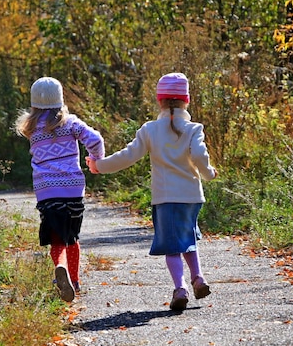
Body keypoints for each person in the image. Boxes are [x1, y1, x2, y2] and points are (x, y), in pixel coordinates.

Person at [87, 72, 217, 311]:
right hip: (191, 197)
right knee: (187, 238)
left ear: (159, 100)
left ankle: (181, 288)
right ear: (186, 100)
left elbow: (128, 156)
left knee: (171, 245)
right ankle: (198, 277)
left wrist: (99, 165)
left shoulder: (150, 130)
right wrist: (208, 173)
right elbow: (199, 156)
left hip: (165, 198)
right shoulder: (194, 128)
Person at [15, 76, 104, 302]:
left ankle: (60, 268)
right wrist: (95, 160)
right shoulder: (70, 122)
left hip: (47, 191)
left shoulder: (31, 127)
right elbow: (95, 139)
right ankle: (73, 281)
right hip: (73, 190)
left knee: (57, 240)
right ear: (61, 99)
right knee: (72, 237)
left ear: (34, 103)